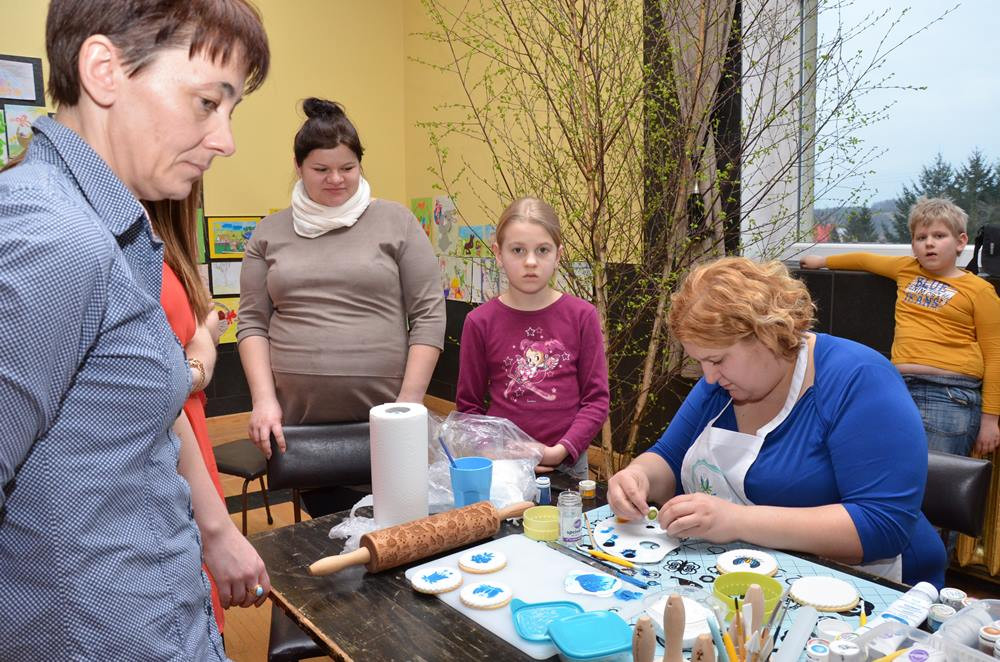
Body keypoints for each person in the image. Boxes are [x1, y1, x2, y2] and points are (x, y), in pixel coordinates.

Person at [0, 1, 271, 659]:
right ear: (104, 70)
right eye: (208, 102)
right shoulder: (55, 240)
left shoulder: (111, 228)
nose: (225, 139)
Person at [608, 257, 946, 588]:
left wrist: (736, 521)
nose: (708, 377)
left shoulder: (859, 380)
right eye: (701, 362)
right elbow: (668, 457)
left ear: (766, 335)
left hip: (874, 589)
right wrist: (638, 476)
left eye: (717, 359)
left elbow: (881, 525)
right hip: (765, 576)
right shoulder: (721, 386)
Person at [238, 98, 445, 514]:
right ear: (299, 167)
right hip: (304, 432)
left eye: (347, 168)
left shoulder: (396, 222)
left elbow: (428, 314)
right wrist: (263, 400)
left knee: (396, 528)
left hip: (389, 418)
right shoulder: (268, 232)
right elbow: (252, 324)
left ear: (360, 165)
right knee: (328, 538)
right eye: (321, 170)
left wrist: (409, 404)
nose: (336, 179)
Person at [800, 197, 1000, 458]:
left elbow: (995, 354)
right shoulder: (906, 269)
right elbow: (863, 260)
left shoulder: (979, 290)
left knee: (933, 485)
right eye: (921, 237)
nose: (929, 243)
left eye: (939, 235)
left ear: (961, 242)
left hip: (949, 395)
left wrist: (990, 420)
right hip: (896, 387)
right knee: (889, 471)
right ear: (913, 245)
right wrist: (823, 261)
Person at [455, 197, 610, 479]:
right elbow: (469, 409)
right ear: (498, 254)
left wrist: (561, 450)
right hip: (503, 467)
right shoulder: (479, 322)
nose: (530, 262)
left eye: (542, 250)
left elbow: (596, 400)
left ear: (558, 255)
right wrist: (492, 451)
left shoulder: (582, 316)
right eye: (517, 250)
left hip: (568, 464)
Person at [145, 180, 229, 634]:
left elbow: (192, 326)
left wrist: (199, 349)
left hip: (186, 427)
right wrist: (194, 367)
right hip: (166, 434)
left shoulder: (155, 233)